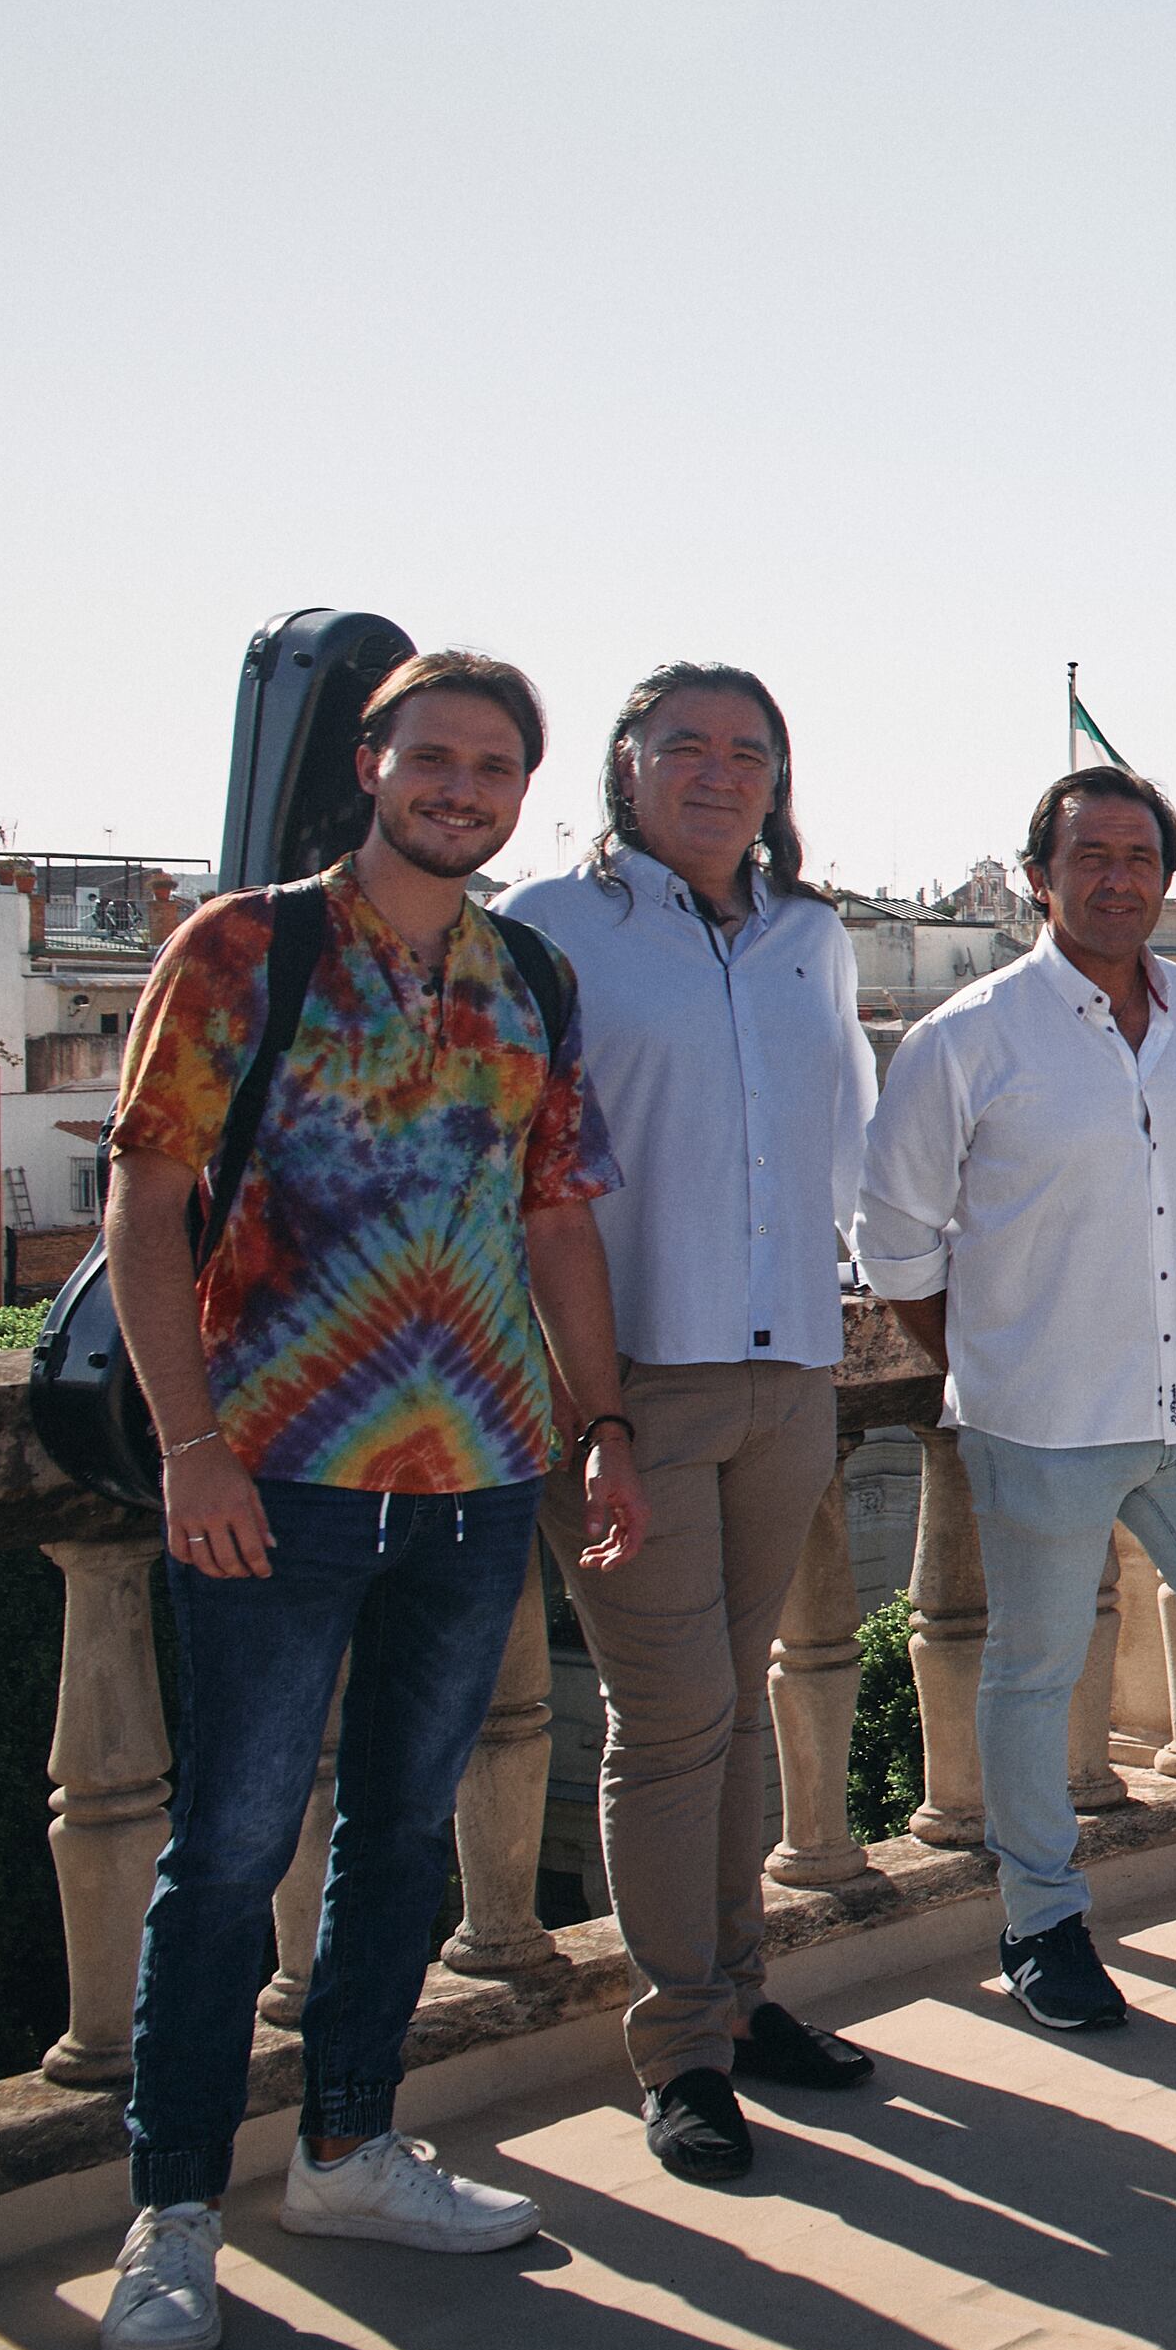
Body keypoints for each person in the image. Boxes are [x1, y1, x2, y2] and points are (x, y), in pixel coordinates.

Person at [89, 651, 642, 2350]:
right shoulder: (245, 947)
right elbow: (147, 1192)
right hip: (278, 1470)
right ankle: (173, 2211)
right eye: (436, 756)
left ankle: (344, 2149)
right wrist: (191, 1446)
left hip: (477, 1479)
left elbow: (558, 1220)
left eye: (494, 764)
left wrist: (600, 1421)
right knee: (232, 1847)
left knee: (404, 1837)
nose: (462, 786)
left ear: (522, 791)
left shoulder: (530, 972)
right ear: (372, 761)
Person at [864, 765, 1176, 2036]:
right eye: (1089, 854)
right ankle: (1040, 1921)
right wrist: (996, 1354)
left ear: (1165, 875)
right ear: (1040, 876)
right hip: (1041, 1419)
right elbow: (894, 1244)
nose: (1116, 877)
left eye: (1140, 856)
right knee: (1037, 1675)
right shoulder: (966, 1037)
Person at [500, 662, 885, 2182]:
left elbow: (847, 1140)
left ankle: (738, 2000)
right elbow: (518, 1173)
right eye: (689, 748)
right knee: (666, 1724)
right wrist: (587, 1402)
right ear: (625, 765)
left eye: (752, 751)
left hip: (787, 1371)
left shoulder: (811, 939)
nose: (722, 774)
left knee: (732, 1702)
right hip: (625, 1390)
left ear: (780, 779)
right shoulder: (552, 930)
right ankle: (679, 2047)